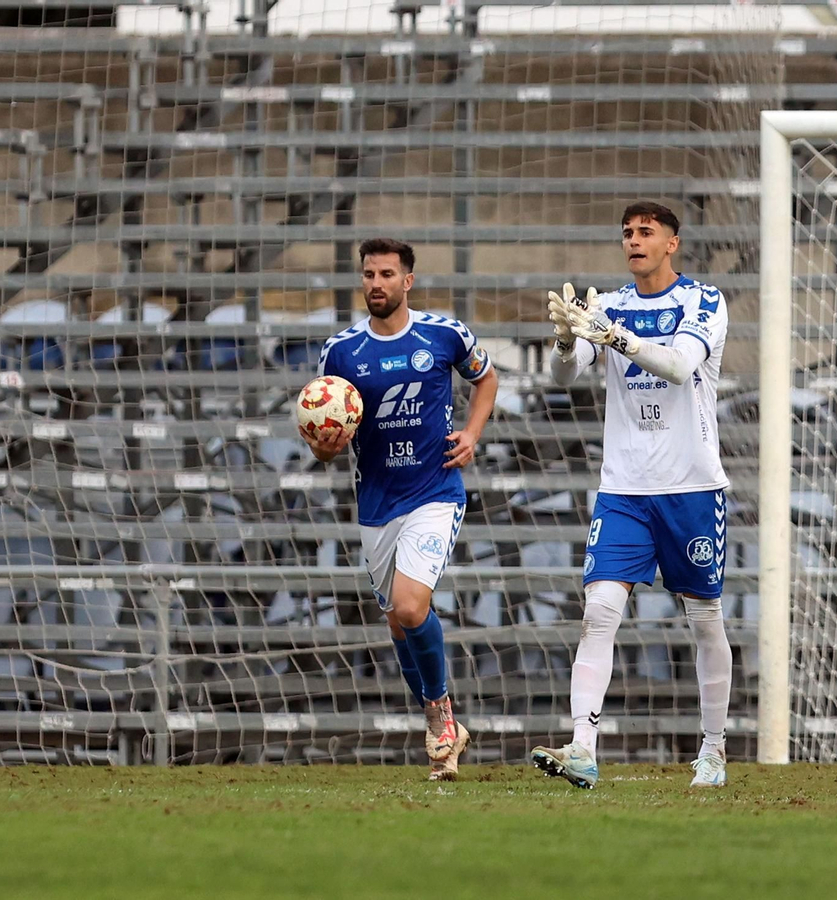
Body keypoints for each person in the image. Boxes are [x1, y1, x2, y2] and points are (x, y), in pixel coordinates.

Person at [530, 201, 732, 790]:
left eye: (646, 233)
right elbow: (564, 378)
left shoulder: (703, 301)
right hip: (624, 489)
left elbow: (675, 365)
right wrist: (567, 341)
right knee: (598, 613)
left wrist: (612, 336)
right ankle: (583, 748)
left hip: (691, 487)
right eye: (627, 234)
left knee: (703, 621)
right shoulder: (609, 303)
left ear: (673, 242)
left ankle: (713, 750)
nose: (634, 241)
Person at [304, 238, 498, 781]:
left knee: (412, 608)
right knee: (397, 623)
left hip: (435, 492)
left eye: (387, 274)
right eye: (369, 274)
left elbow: (486, 378)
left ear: (407, 281)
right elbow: (323, 444)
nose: (376, 284)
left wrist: (473, 434)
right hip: (377, 504)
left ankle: (439, 719)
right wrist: (325, 444)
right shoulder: (340, 352)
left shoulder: (443, 334)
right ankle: (446, 732)